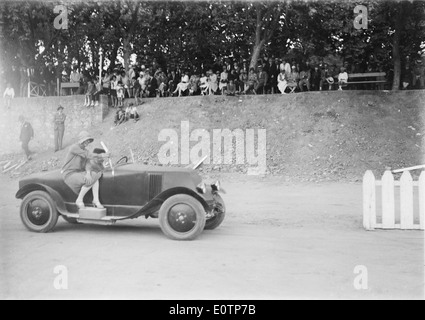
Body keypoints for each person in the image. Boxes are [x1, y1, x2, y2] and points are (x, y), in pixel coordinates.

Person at [61, 131, 109, 209]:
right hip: (69, 173)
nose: (88, 142)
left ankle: (96, 200)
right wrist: (102, 155)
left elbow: (88, 163)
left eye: (88, 141)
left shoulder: (85, 151)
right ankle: (79, 200)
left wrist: (88, 173)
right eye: (86, 140)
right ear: (82, 140)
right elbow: (88, 155)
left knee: (95, 177)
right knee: (93, 177)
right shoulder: (74, 147)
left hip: (78, 173)